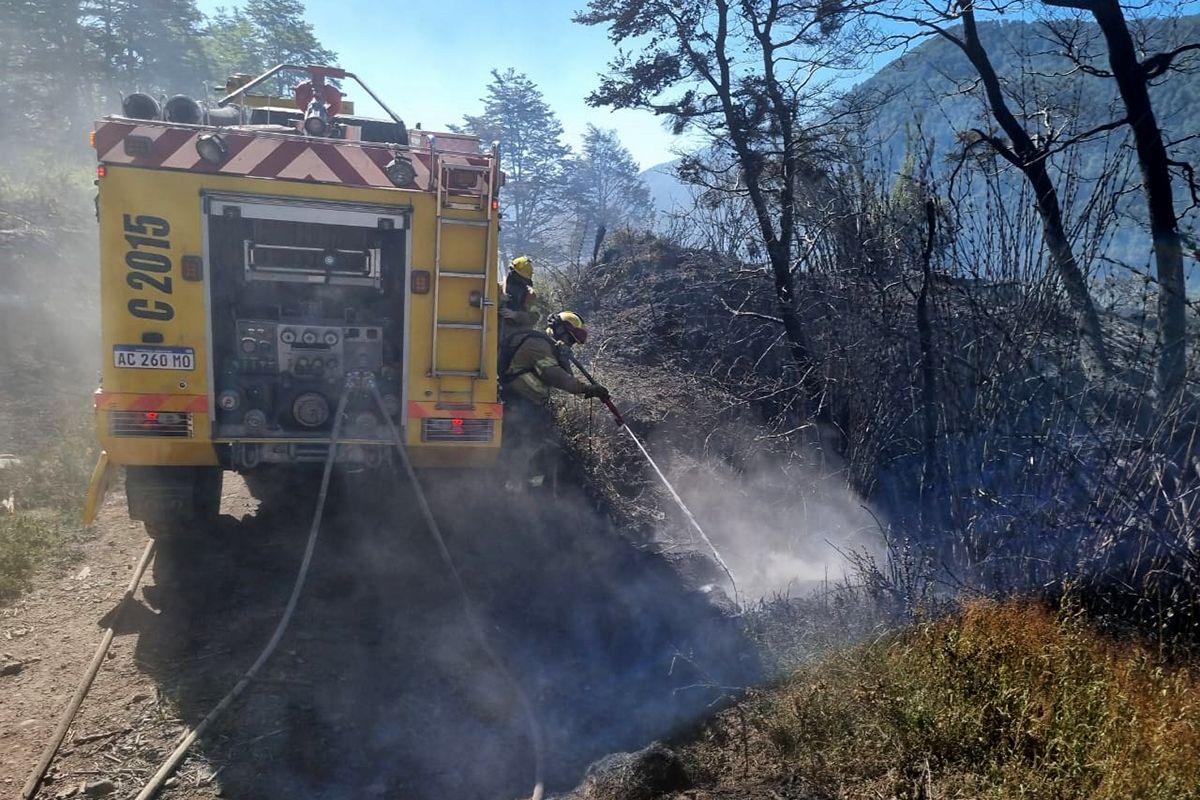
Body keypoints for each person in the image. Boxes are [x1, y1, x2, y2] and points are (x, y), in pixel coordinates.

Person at [500, 311, 609, 488]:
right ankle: (512, 488)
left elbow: (566, 376)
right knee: (521, 447)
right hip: (516, 403)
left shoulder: (550, 348)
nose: (570, 344)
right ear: (558, 330)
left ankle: (527, 489)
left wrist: (564, 358)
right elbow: (555, 376)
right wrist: (587, 389)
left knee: (533, 447)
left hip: (527, 405)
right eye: (570, 339)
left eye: (573, 342)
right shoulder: (537, 344)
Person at [498, 255, 540, 339]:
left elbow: (534, 317)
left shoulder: (530, 295)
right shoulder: (498, 289)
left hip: (520, 337)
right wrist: (499, 300)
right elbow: (484, 305)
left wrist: (515, 315)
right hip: (497, 333)